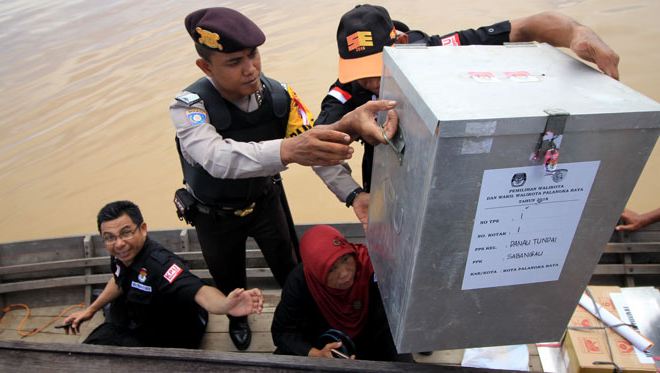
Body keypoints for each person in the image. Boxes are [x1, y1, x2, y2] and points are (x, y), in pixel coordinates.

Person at [169, 7, 399, 351]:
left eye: (253, 55)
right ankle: (238, 317)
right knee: (228, 277)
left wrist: (353, 195)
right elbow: (216, 158)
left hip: (265, 202)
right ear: (206, 67)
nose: (250, 69)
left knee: (291, 267)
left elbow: (315, 148)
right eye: (234, 62)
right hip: (213, 215)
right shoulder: (189, 107)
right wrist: (288, 150)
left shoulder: (282, 96)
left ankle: (304, 321)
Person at [315, 5, 621, 228]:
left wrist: (576, 33)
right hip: (389, 181)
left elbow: (524, 27)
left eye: (376, 67)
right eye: (359, 73)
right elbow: (317, 146)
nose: (370, 82)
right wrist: (355, 194)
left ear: (402, 44)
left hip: (451, 170)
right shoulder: (346, 91)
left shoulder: (439, 51)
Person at [62, 200, 264, 349]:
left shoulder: (162, 266)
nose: (119, 244)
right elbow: (119, 280)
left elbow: (200, 292)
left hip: (169, 334)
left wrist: (226, 306)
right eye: (109, 238)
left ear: (143, 229)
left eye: (126, 233)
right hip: (138, 314)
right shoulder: (121, 255)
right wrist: (90, 310)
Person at [271, 225, 412, 362]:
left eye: (345, 259)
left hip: (375, 339)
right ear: (317, 272)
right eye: (331, 269)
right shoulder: (301, 281)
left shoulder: (371, 265)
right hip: (324, 341)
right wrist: (316, 354)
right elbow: (282, 332)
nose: (344, 273)